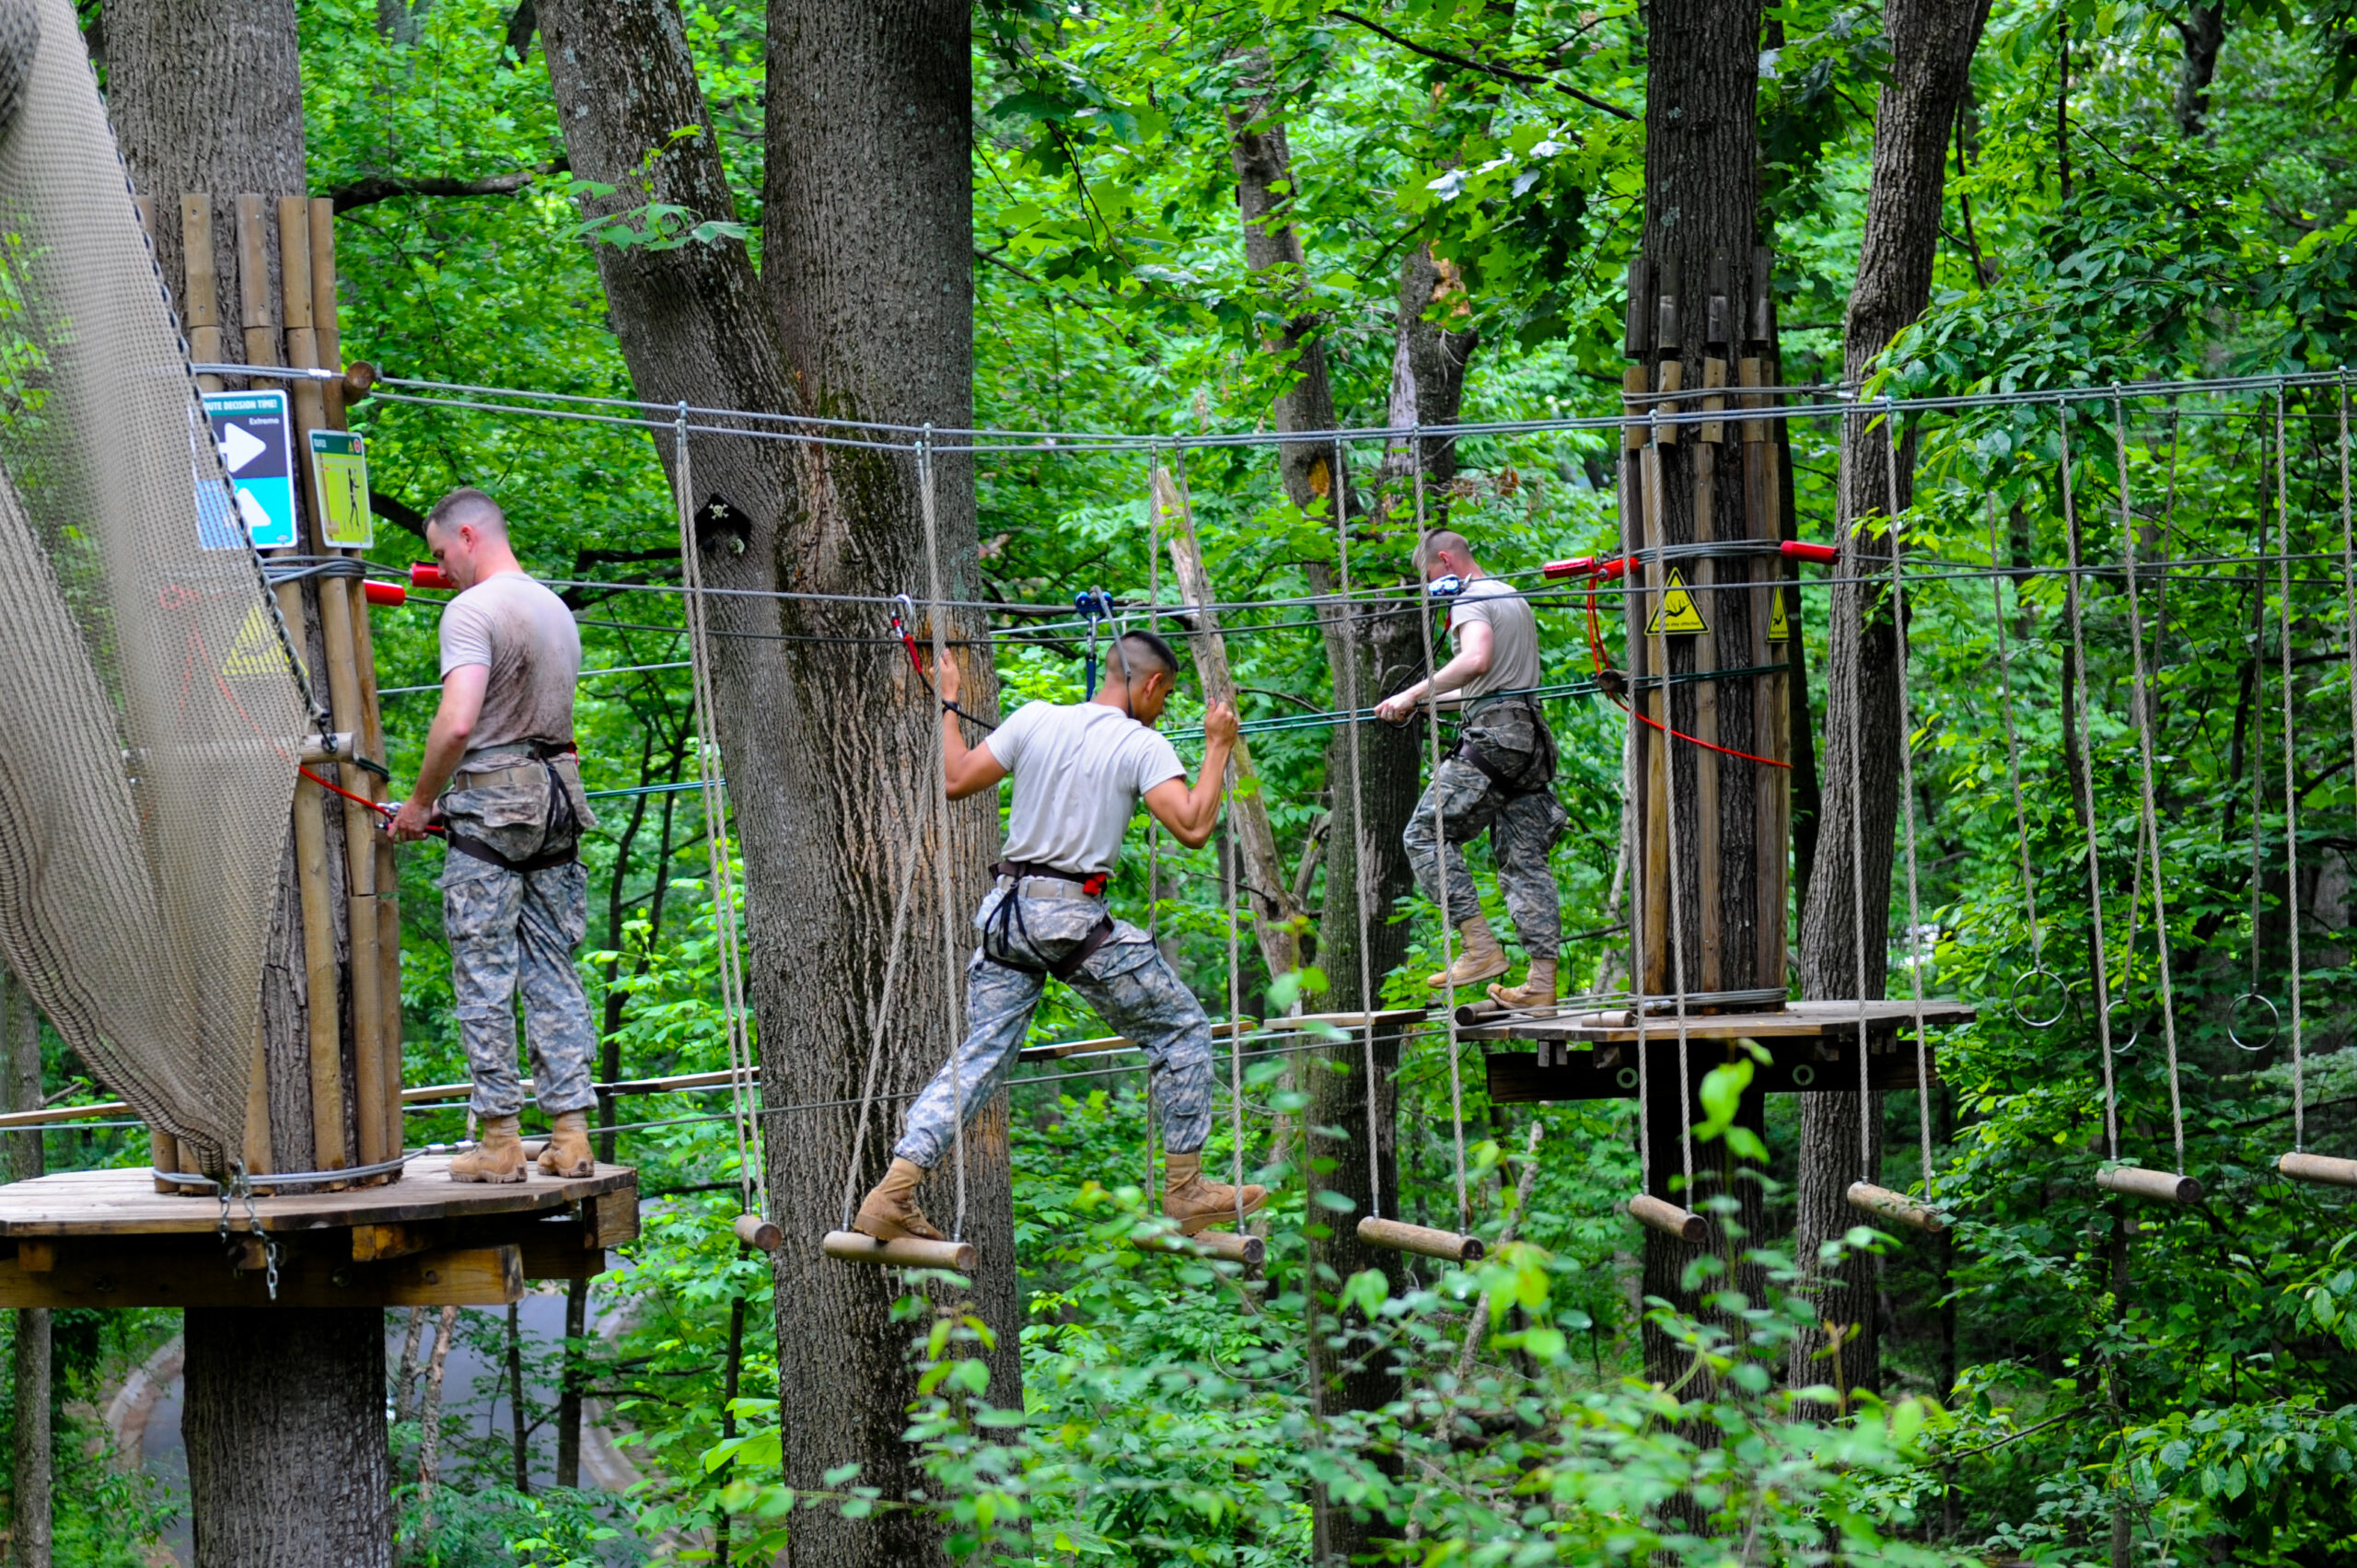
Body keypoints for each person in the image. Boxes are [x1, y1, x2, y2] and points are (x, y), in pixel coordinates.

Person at [853, 631, 1269, 1243]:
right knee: (1182, 1028)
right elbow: (1193, 824)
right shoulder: (1141, 743)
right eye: (1168, 693)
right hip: (1069, 919)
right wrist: (1217, 748)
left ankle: (894, 1189)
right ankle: (1185, 1189)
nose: (1164, 705)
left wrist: (948, 703)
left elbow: (957, 776)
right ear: (1150, 683)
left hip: (1006, 916)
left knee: (982, 1056)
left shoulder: (1035, 718)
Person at [390, 488, 600, 1183]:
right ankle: (570, 1133)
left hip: (492, 809)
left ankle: (501, 1139)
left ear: (470, 535)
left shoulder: (471, 611)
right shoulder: (553, 610)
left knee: (484, 970)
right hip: (559, 801)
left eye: (441, 552)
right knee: (553, 966)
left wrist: (421, 802)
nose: (441, 567)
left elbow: (457, 723)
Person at [1375, 529, 1568, 1010]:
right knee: (1525, 861)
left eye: (1429, 576)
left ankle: (1479, 947)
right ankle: (1542, 984)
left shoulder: (1470, 596)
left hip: (1495, 741)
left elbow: (1476, 661)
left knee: (1423, 834)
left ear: (1445, 561)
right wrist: (1430, 703)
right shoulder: (1510, 596)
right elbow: (1496, 682)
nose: (1428, 586)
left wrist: (1411, 693)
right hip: (1529, 741)